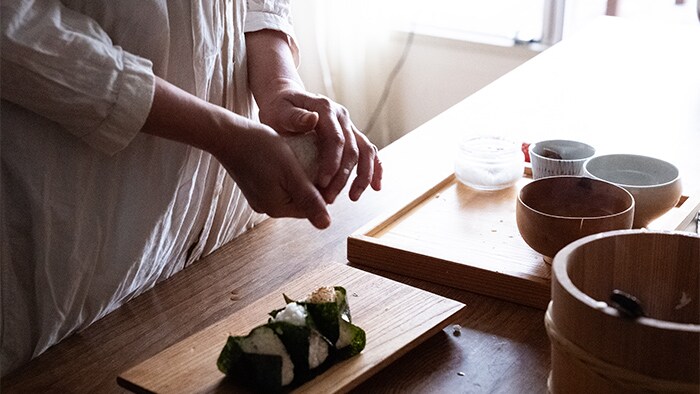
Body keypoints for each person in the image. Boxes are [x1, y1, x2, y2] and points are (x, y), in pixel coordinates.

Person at [0, 0, 382, 376]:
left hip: (223, 235)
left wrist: (278, 82)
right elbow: (14, 29)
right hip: (83, 246)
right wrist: (220, 133)